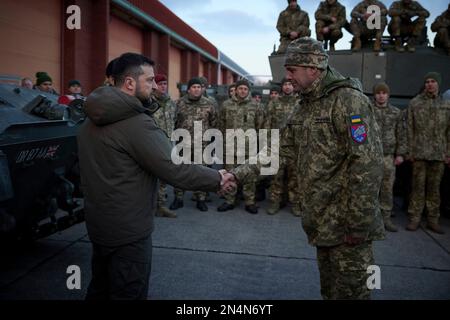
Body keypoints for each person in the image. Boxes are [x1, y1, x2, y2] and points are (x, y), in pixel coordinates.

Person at [231, 37, 385, 299]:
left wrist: (358, 225)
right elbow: (279, 149)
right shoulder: (305, 105)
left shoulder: (349, 101)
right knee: (330, 292)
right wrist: (236, 174)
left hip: (347, 226)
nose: (287, 77)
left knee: (354, 293)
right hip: (322, 222)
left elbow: (366, 163)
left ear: (313, 69)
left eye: (292, 70)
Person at [77, 53, 235, 300]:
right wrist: (216, 178)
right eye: (149, 80)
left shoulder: (92, 117)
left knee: (100, 288)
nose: (154, 86)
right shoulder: (135, 123)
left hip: (101, 224)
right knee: (128, 292)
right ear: (130, 83)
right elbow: (174, 167)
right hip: (129, 230)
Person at [406, 72, 450, 234]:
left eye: (433, 81)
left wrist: (448, 152)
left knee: (435, 189)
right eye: (427, 82)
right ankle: (415, 217)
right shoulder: (415, 103)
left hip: (439, 154)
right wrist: (409, 150)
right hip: (419, 153)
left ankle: (433, 219)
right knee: (417, 187)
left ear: (438, 84)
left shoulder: (446, 105)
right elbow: (409, 128)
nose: (430, 84)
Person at [169, 77, 218, 212]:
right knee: (180, 172)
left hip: (202, 145)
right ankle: (178, 198)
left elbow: (214, 123)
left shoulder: (209, 104)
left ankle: (200, 199)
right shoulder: (179, 103)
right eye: (193, 87)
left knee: (201, 173)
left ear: (202, 89)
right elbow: (173, 122)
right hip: (183, 144)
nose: (196, 89)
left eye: (198, 87)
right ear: (189, 89)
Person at [218, 79, 265, 214]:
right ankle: (229, 200)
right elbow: (221, 125)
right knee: (230, 173)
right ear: (236, 90)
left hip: (249, 147)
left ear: (248, 90)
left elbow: (260, 126)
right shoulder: (226, 105)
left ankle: (249, 201)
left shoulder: (256, 106)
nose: (243, 91)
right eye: (240, 88)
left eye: (245, 89)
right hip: (231, 146)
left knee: (249, 174)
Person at [372, 83, 407, 232]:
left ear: (388, 95)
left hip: (388, 157)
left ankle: (386, 219)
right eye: (378, 92)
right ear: (374, 95)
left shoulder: (396, 112)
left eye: (384, 93)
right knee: (370, 189)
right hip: (371, 157)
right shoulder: (368, 111)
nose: (381, 95)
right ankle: (370, 221)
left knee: (387, 189)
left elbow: (402, 134)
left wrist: (400, 153)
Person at [265, 78, 300, 217]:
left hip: (294, 145)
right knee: (276, 177)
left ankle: (296, 204)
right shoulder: (274, 103)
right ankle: (274, 202)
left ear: (294, 86)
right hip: (277, 145)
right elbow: (267, 124)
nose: (287, 87)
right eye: (285, 84)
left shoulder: (300, 103)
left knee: (294, 177)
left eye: (290, 84)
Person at [151, 74, 177, 218]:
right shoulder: (147, 103)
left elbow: (176, 121)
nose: (163, 86)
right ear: (154, 85)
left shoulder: (171, 103)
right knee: (148, 177)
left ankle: (161, 206)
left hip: (167, 144)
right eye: (160, 84)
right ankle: (147, 206)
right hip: (151, 144)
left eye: (165, 83)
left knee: (164, 176)